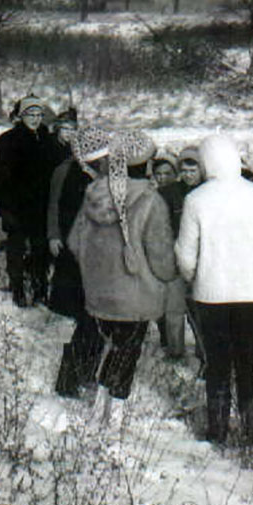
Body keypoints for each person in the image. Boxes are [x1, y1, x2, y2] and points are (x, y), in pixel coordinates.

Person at [175, 135, 253, 448]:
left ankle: (218, 431)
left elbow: (185, 255)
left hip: (211, 294)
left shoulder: (196, 199)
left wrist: (195, 276)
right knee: (248, 362)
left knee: (218, 363)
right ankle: (250, 434)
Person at [67, 130, 177, 428]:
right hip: (136, 294)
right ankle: (113, 418)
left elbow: (75, 243)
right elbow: (161, 255)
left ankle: (97, 411)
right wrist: (170, 276)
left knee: (112, 348)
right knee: (127, 352)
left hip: (99, 293)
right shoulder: (151, 201)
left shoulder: (93, 196)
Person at [0, 95, 56, 307]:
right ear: (21, 116)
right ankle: (17, 287)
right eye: (30, 115)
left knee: (40, 249)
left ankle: (39, 287)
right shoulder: (7, 141)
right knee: (16, 247)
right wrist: (4, 209)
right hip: (16, 206)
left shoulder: (47, 140)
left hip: (41, 206)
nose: (35, 119)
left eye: (39, 115)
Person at [48, 125, 99, 397]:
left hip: (95, 254)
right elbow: (54, 204)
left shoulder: (103, 176)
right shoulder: (65, 171)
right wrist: (53, 234)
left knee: (90, 319)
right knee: (84, 316)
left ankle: (81, 374)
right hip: (72, 250)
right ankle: (71, 379)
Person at [157, 146, 205, 359]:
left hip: (202, 261)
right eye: (184, 170)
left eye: (192, 170)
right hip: (175, 259)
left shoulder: (209, 192)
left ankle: (204, 353)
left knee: (200, 310)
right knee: (174, 310)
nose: (188, 175)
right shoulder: (169, 193)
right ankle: (174, 351)